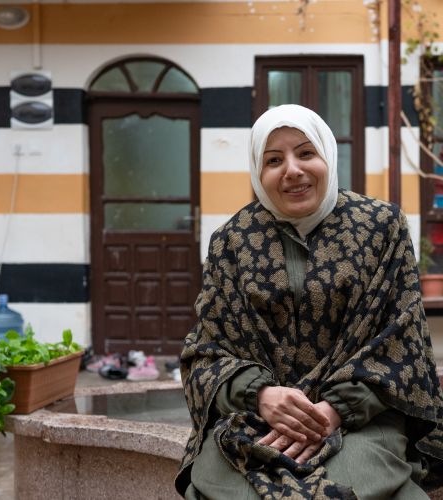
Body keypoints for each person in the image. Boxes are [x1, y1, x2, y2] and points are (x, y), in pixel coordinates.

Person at [175, 104, 443, 499]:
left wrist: (336, 409)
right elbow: (205, 353)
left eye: (305, 153)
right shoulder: (232, 241)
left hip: (362, 421)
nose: (292, 170)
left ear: (327, 155)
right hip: (258, 422)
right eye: (273, 160)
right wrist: (262, 396)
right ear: (257, 171)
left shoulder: (379, 227)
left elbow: (404, 345)